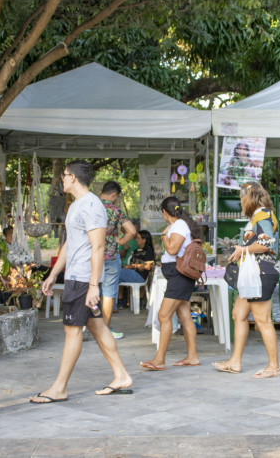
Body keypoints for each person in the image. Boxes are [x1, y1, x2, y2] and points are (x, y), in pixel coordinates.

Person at [30, 160, 132, 402]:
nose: (62, 179)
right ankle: (121, 376)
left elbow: (98, 247)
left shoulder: (93, 206)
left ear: (73, 177)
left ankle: (59, 388)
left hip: (84, 279)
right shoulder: (77, 205)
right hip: (75, 276)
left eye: (64, 175)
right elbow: (71, 243)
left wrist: (93, 285)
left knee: (72, 331)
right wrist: (54, 273)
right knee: (97, 327)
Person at [213, 182, 280, 378]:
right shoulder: (258, 216)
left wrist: (243, 249)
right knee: (239, 314)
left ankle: (274, 367)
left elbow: (267, 242)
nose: (241, 202)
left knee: (262, 320)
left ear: (249, 198)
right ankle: (234, 362)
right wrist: (241, 248)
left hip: (261, 273)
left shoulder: (262, 214)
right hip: (252, 274)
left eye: (242, 198)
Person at [140, 196, 202, 370]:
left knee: (163, 315)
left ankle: (159, 360)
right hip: (178, 276)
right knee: (184, 316)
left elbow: (173, 249)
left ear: (165, 213)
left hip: (179, 277)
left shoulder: (179, 225)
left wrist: (164, 236)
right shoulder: (180, 225)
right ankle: (193, 357)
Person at [100, 181, 137, 339]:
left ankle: (85, 327)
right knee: (108, 293)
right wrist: (121, 242)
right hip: (110, 256)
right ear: (114, 195)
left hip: (90, 256)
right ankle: (104, 330)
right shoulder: (116, 210)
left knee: (89, 290)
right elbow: (132, 231)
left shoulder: (90, 206)